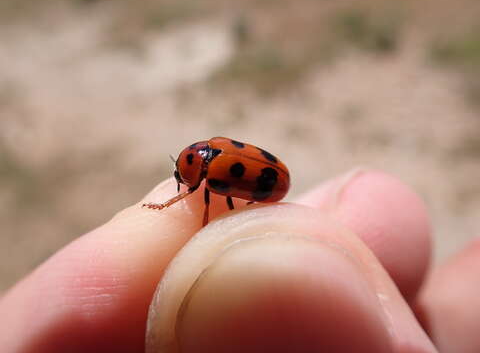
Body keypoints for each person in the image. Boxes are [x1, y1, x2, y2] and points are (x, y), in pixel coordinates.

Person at [0, 169, 478, 353]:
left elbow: (212, 194)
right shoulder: (208, 171)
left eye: (186, 173)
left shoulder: (208, 179)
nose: (184, 180)